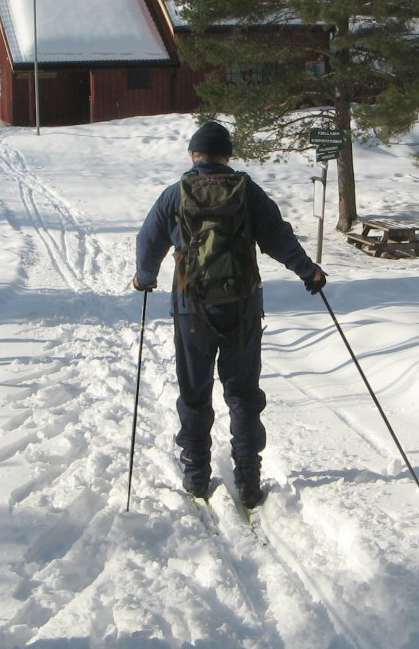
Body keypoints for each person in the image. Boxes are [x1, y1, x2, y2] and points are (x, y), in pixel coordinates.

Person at [133, 120, 326, 510]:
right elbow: (279, 237)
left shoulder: (176, 195)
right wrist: (310, 271)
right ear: (227, 155)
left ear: (194, 154)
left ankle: (196, 472)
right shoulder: (247, 193)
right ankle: (248, 477)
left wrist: (144, 278)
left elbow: (148, 240)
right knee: (242, 394)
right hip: (242, 307)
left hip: (191, 309)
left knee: (194, 391)